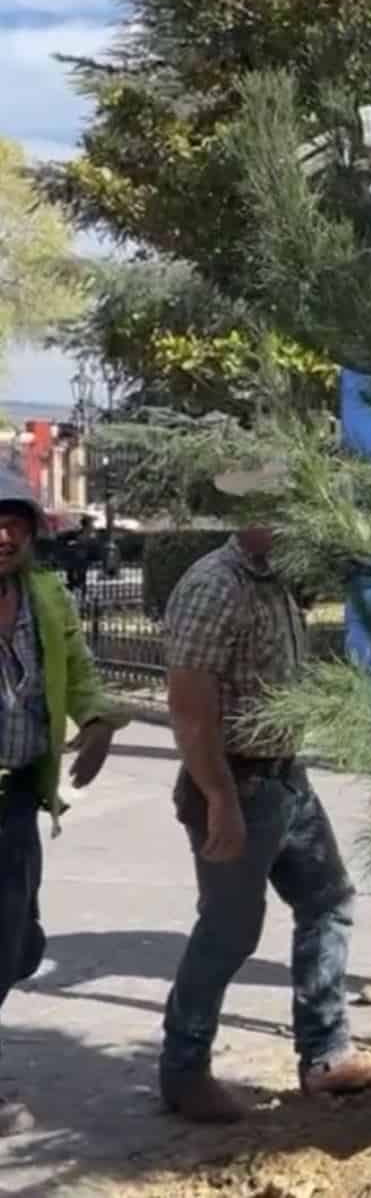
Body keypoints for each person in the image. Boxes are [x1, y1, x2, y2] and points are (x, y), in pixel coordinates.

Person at [159, 468, 371, 1124]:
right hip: (235, 781)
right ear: (248, 514)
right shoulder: (216, 586)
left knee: (329, 900)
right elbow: (188, 707)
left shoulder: (276, 581)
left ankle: (325, 1057)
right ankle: (183, 1070)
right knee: (230, 930)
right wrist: (219, 798)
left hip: (284, 777)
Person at [0, 481, 124, 1137]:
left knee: (19, 944)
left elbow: (75, 665)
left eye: (12, 520)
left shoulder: (43, 595)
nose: (2, 534)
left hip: (18, 796)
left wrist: (98, 718)